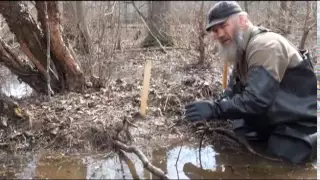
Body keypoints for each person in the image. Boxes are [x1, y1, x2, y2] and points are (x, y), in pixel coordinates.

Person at [184, 1, 317, 164]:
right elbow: (233, 88)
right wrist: (215, 104)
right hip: (274, 117)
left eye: (223, 26)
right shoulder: (241, 49)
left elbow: (256, 100)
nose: (219, 34)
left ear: (242, 20)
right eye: (215, 30)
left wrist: (215, 109)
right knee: (238, 133)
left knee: (278, 161)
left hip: (299, 122)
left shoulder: (264, 45)